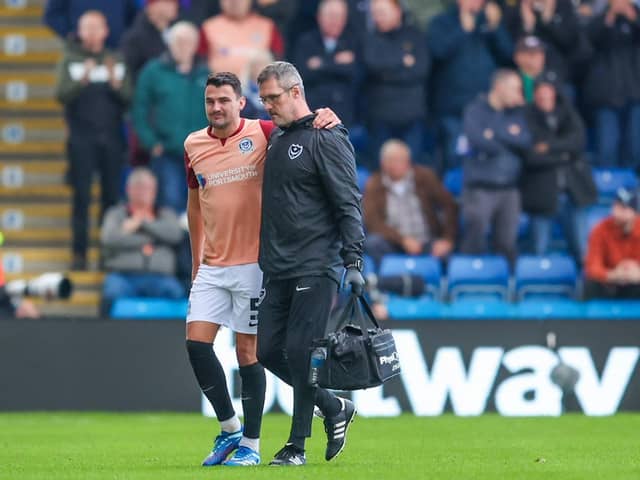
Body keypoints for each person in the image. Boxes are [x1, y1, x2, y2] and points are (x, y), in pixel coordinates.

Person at [183, 71, 341, 467]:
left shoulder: (266, 132)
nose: (216, 107)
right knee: (196, 346)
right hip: (212, 265)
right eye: (210, 101)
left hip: (255, 264)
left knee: (249, 354)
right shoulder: (192, 145)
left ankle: (251, 446)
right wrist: (195, 259)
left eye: (224, 100)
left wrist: (326, 116)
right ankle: (230, 428)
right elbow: (195, 204)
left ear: (241, 102)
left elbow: (301, 120)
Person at [256, 61, 365, 466]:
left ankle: (296, 447)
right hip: (276, 265)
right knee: (268, 350)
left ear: (296, 91)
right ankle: (334, 408)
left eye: (273, 98)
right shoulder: (276, 137)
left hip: (315, 263)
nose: (267, 106)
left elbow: (347, 201)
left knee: (302, 351)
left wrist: (353, 259)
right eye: (263, 99)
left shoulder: (327, 136)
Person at [54, 10, 132, 270]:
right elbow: (61, 95)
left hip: (111, 138)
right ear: (79, 30)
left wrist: (114, 82)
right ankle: (79, 254)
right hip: (81, 138)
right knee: (82, 197)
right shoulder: (70, 59)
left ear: (105, 31)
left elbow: (129, 98)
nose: (91, 33)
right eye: (85, 27)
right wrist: (83, 80)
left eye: (95, 27)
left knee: (110, 198)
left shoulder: (116, 60)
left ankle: (106, 254)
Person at [132, 21, 209, 213]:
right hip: (167, 152)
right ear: (169, 44)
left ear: (195, 44)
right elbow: (139, 110)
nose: (183, 46)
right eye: (178, 41)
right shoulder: (153, 72)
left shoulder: (206, 74)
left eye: (187, 41)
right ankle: (172, 244)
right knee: (170, 204)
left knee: (201, 207)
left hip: (201, 155)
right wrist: (151, 143)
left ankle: (196, 245)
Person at [427, 0, 513, 171]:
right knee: (454, 159)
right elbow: (436, 52)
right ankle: (454, 196)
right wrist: (462, 31)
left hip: (486, 108)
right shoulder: (442, 21)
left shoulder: (488, 22)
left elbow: (508, 56)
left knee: (489, 159)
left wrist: (495, 27)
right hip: (453, 109)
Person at [520, 72, 597, 264]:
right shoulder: (526, 115)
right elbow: (530, 155)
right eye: (540, 91)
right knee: (539, 250)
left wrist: (549, 147)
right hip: (542, 193)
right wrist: (564, 154)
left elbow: (579, 142)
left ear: (555, 93)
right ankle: (536, 289)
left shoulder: (568, 112)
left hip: (574, 191)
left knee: (581, 249)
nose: (544, 95)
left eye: (548, 91)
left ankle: (583, 289)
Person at [461, 69, 531, 264]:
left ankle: (508, 288)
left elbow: (525, 141)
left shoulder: (518, 112)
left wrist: (494, 133)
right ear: (499, 87)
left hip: (510, 189)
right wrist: (509, 137)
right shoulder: (475, 110)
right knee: (476, 236)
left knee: (507, 243)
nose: (519, 94)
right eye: (515, 89)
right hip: (480, 187)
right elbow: (478, 140)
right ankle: (469, 281)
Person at [100, 168, 185, 316]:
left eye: (147, 188)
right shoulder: (116, 214)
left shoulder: (166, 214)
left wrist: (141, 224)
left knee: (177, 293)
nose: (142, 192)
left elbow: (175, 234)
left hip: (161, 277)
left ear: (155, 190)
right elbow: (109, 238)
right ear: (128, 190)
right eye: (138, 187)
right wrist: (157, 239)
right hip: (124, 276)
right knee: (112, 291)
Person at [363, 139, 458, 266]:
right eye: (392, 160)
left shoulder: (425, 177)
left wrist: (447, 239)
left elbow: (449, 206)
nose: (397, 164)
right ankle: (387, 279)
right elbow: (373, 222)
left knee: (447, 255)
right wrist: (403, 240)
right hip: (394, 244)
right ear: (383, 163)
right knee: (373, 243)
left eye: (401, 160)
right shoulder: (374, 184)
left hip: (427, 242)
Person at [362, 0, 429, 165]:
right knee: (381, 169)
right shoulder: (369, 38)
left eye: (382, 12)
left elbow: (421, 69)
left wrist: (387, 72)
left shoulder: (415, 35)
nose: (378, 17)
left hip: (412, 117)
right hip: (380, 118)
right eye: (375, 13)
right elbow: (372, 66)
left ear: (398, 11)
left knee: (412, 168)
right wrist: (402, 62)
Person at [293, 0, 361, 130]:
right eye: (330, 16)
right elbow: (302, 75)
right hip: (312, 115)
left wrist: (321, 64)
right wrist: (336, 64)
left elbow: (355, 74)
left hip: (345, 115)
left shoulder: (354, 42)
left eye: (339, 16)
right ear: (319, 17)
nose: (334, 21)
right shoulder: (305, 42)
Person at [200, 0, 285, 78]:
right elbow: (200, 63)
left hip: (258, 90)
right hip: (220, 88)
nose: (235, 2)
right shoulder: (208, 27)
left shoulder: (267, 26)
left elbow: (278, 61)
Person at [584, 187, 640, 299]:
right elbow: (592, 267)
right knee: (590, 284)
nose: (617, 212)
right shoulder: (600, 229)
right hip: (609, 282)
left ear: (634, 213)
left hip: (635, 282)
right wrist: (613, 274)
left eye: (624, 208)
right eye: (616, 206)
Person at [43, 0, 137, 49]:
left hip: (116, 51)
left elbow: (134, 15)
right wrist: (73, 35)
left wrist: (125, 38)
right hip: (80, 54)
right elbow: (52, 15)